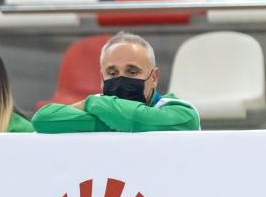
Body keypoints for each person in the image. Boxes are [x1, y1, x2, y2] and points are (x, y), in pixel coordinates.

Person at [31, 32, 200, 133]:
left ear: (154, 77)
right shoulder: (99, 107)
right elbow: (43, 119)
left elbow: (135, 118)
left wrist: (94, 102)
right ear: (102, 78)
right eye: (112, 72)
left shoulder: (183, 113)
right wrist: (117, 118)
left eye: (132, 71)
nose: (120, 79)